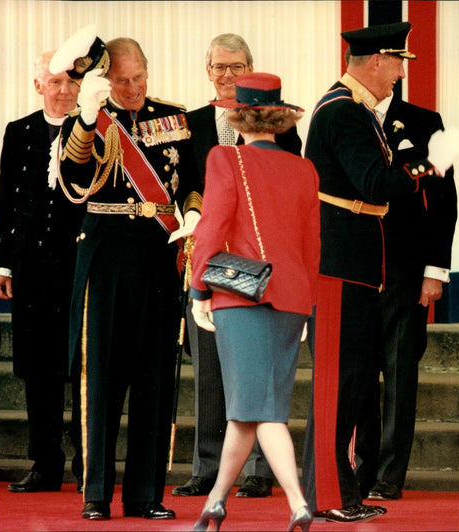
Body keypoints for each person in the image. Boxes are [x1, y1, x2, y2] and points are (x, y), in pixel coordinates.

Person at [301, 21, 459, 524]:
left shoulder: (353, 108)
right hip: (342, 265)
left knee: (350, 380)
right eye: (397, 64)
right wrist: (426, 164)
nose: (399, 75)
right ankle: (329, 493)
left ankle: (341, 490)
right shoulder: (345, 112)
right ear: (376, 62)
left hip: (355, 263)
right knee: (342, 380)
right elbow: (374, 184)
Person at [55, 34, 201, 520]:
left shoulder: (174, 116)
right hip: (106, 255)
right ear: (105, 80)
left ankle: (146, 494)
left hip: (160, 256)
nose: (134, 87)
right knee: (99, 375)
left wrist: (195, 215)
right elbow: (72, 175)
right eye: (123, 80)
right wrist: (88, 116)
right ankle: (95, 491)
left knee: (155, 377)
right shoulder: (91, 118)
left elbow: (195, 179)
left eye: (139, 77)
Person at [172, 32, 302, 500]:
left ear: (250, 69)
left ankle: (256, 471)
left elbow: (292, 187)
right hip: (213, 261)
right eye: (220, 67)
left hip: (265, 265)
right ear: (207, 69)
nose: (227, 75)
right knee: (210, 369)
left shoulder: (282, 125)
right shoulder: (189, 123)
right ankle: (207, 467)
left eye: (237, 67)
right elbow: (184, 182)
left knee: (263, 373)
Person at [189, 72, 318, 532]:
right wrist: (308, 304)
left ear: (238, 117)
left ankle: (299, 503)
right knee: (249, 409)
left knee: (261, 411)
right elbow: (311, 245)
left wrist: (198, 289)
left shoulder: (224, 158)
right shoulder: (304, 168)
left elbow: (211, 227)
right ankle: (216, 503)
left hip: (239, 298)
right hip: (291, 300)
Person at [354, 87, 458, 501]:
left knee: (400, 373)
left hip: (407, 270)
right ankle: (362, 468)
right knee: (360, 373)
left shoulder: (423, 121)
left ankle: (389, 475)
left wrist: (435, 270)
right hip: (358, 268)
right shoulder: (346, 117)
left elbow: (444, 201)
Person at [0, 50, 84, 494]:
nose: (64, 91)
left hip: (81, 268)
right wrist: (1, 263)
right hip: (31, 270)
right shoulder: (19, 131)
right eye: (55, 82)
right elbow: (6, 200)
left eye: (71, 82)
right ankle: (45, 464)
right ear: (39, 86)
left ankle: (88, 465)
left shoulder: (99, 129)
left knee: (83, 368)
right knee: (38, 372)